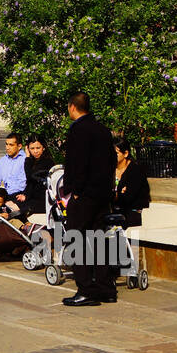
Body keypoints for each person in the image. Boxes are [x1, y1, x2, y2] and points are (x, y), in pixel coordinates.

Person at [61, 91, 116, 306]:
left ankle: (86, 289)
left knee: (75, 238)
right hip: (102, 194)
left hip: (84, 195)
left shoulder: (78, 130)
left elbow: (78, 162)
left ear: (72, 107)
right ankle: (105, 287)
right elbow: (111, 160)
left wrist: (76, 190)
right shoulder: (102, 130)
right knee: (99, 240)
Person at [112, 136, 151, 220]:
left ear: (125, 153)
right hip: (114, 212)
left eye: (115, 153)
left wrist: (115, 195)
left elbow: (129, 197)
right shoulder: (108, 170)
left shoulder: (136, 170)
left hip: (133, 214)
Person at [0, 132, 27, 211]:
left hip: (19, 195)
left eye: (11, 145)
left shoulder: (25, 160)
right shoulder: (2, 161)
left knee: (3, 208)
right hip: (5, 195)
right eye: (6, 144)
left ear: (19, 146)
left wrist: (3, 196)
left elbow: (21, 184)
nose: (7, 148)